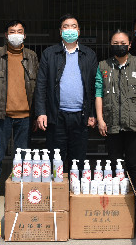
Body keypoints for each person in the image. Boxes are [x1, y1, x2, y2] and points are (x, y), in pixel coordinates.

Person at [35, 14, 98, 168]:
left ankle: (75, 184)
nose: (70, 29)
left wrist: (92, 113)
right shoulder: (49, 54)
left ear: (79, 31)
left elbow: (94, 86)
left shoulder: (89, 54)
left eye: (73, 26)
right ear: (60, 31)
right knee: (55, 161)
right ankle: (57, 184)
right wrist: (41, 112)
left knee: (78, 161)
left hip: (80, 116)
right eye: (66, 26)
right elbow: (41, 85)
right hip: (56, 116)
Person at [95, 29, 136, 185]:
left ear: (129, 45)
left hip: (134, 123)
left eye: (122, 43)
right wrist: (100, 119)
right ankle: (118, 196)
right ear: (110, 45)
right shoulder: (103, 66)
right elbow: (99, 93)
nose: (119, 46)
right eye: (115, 43)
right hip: (111, 123)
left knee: (133, 163)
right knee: (115, 164)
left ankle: (135, 196)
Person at [0, 20, 39, 184]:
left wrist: (37, 114)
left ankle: (18, 190)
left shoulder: (32, 56)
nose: (16, 35)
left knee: (22, 158)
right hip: (2, 115)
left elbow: (38, 87)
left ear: (25, 35)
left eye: (19, 31)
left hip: (25, 116)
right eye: (12, 31)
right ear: (6, 35)